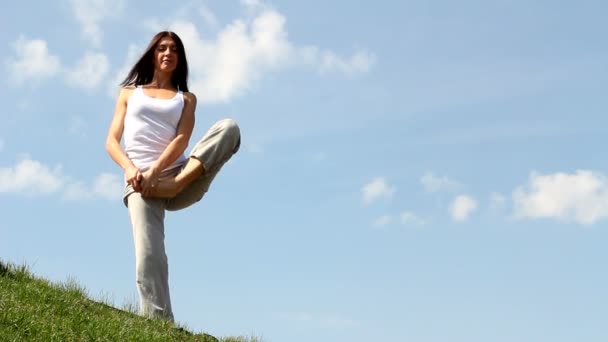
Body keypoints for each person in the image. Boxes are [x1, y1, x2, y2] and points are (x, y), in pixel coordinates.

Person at [105, 31, 241, 322]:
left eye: (174, 50)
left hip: (179, 177)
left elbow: (182, 139)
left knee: (229, 128)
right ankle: (159, 326)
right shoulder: (130, 93)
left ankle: (174, 184)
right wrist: (133, 170)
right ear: (152, 54)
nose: (168, 53)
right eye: (162, 48)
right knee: (149, 257)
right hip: (142, 186)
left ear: (180, 59)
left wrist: (164, 176)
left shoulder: (187, 99)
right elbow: (112, 141)